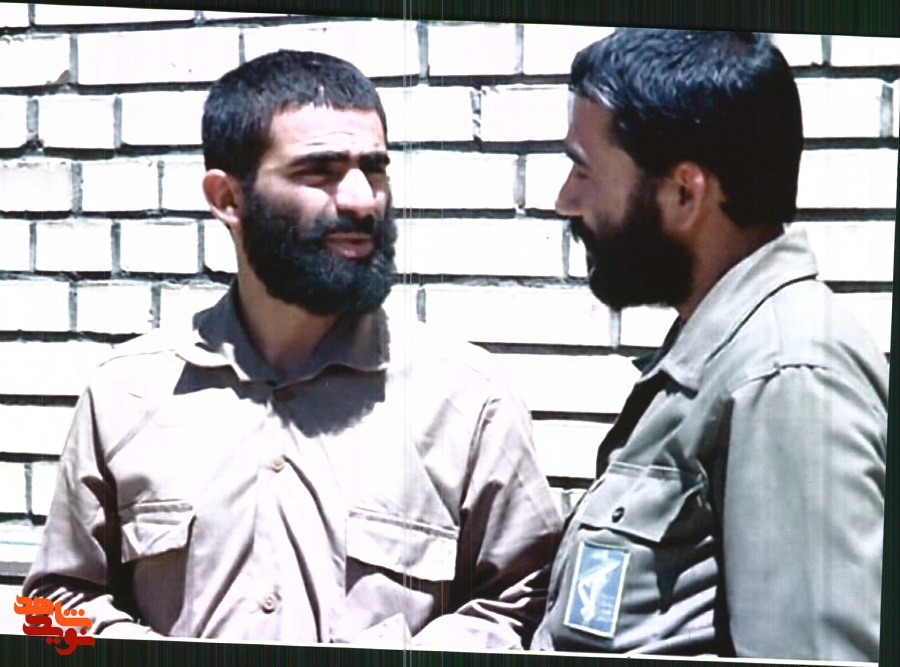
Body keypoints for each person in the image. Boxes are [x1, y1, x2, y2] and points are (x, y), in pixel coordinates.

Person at [23, 50, 562, 650]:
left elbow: (526, 604)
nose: (361, 200)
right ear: (227, 199)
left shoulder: (466, 400)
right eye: (319, 172)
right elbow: (51, 606)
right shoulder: (125, 393)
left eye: (374, 169)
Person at [530, 29, 887, 662]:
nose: (565, 201)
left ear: (685, 193)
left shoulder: (787, 377)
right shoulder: (726, 351)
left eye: (584, 170)